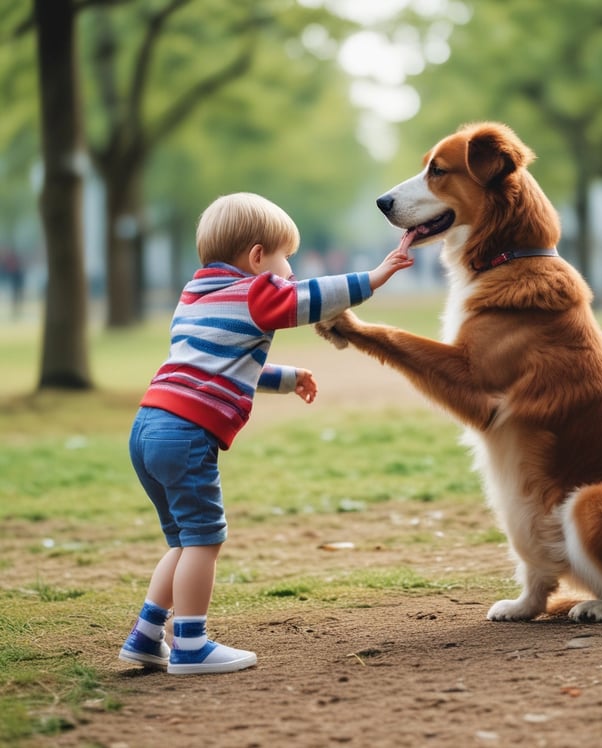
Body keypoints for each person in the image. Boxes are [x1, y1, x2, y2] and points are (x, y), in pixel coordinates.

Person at [119, 192, 413, 675]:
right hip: (186, 432)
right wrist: (375, 278)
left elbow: (224, 363)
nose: (290, 271)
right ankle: (191, 643)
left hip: (149, 426)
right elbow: (304, 301)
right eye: (285, 259)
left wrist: (284, 378)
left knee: (182, 541)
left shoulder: (195, 295)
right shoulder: (256, 292)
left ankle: (147, 636)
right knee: (204, 542)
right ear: (257, 257)